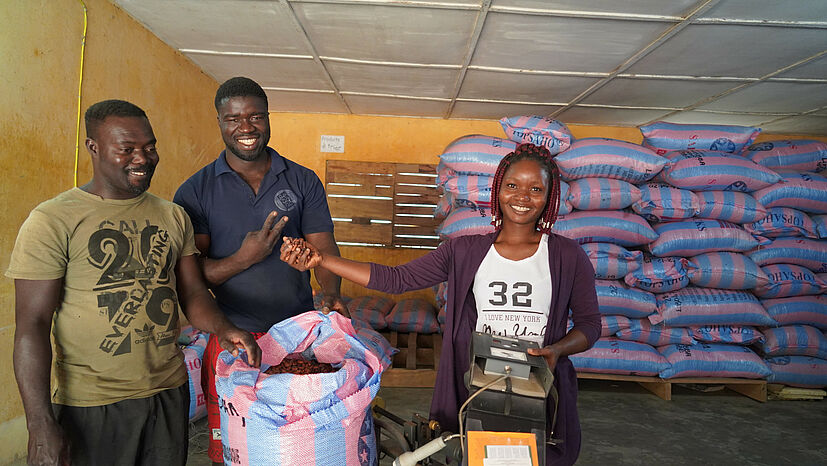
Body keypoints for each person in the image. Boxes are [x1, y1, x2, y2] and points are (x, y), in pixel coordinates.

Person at [281, 143, 601, 465]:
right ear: (498, 189)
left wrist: (557, 350)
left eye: (535, 189)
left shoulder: (566, 256)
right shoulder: (464, 251)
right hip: (477, 383)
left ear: (549, 196)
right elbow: (396, 279)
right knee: (476, 455)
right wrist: (322, 259)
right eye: (512, 186)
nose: (522, 197)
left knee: (535, 457)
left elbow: (590, 325)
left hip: (537, 386)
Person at [7, 100, 261, 466]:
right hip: (93, 405)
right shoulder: (52, 220)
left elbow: (190, 293)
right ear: (93, 147)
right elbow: (32, 325)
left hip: (168, 394)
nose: (143, 158)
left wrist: (223, 328)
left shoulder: (172, 216)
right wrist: (39, 422)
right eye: (126, 149)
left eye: (150, 147)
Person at [173, 76, 346, 465]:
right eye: (233, 119)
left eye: (255, 117)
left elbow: (324, 249)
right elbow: (191, 279)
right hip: (231, 337)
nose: (246, 128)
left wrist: (331, 291)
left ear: (268, 118)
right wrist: (243, 258)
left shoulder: (301, 180)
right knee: (234, 445)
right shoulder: (195, 191)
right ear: (219, 121)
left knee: (296, 440)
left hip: (295, 336)